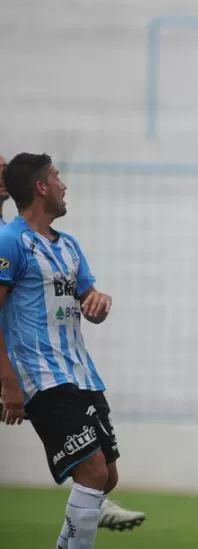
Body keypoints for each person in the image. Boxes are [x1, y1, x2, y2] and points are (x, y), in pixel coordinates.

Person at [0, 152, 144, 547]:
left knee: (106, 478)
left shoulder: (69, 246)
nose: (64, 185)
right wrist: (8, 380)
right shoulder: (11, 241)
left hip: (81, 372)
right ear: (42, 188)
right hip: (43, 376)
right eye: (57, 177)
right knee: (93, 474)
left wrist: (99, 301)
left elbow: (87, 299)